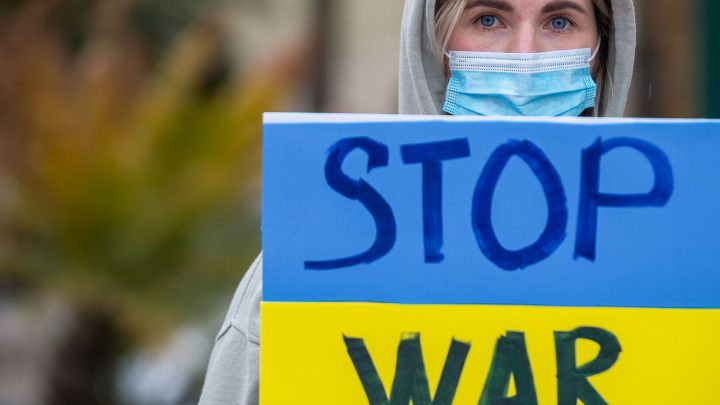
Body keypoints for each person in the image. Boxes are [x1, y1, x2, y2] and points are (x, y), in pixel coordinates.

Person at [198, 0, 636, 403]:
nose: (524, 56)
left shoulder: (677, 272)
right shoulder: (302, 270)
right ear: (431, 44)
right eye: (488, 19)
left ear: (603, 49)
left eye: (560, 22)